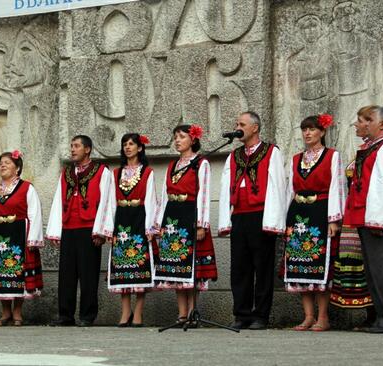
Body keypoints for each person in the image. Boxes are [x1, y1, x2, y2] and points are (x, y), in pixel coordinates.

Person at [330, 106, 383, 328]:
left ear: (381, 124)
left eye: (367, 120)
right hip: (368, 217)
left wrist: (377, 220)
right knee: (375, 270)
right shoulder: (374, 147)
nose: (360, 124)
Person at [218, 112, 287, 330]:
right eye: (237, 124)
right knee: (239, 267)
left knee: (262, 267)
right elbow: (224, 187)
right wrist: (225, 219)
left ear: (255, 128)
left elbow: (278, 186)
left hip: (261, 215)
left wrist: (275, 220)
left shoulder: (271, 152)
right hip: (239, 215)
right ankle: (242, 313)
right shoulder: (234, 155)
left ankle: (260, 316)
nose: (237, 127)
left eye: (242, 124)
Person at [283, 114, 345, 331]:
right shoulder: (296, 159)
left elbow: (337, 187)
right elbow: (289, 190)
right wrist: (284, 220)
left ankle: (323, 317)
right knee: (301, 265)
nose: (307, 133)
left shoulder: (332, 156)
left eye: (312, 129)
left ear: (322, 132)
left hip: (320, 211)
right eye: (304, 129)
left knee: (320, 266)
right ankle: (308, 316)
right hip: (298, 213)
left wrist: (334, 219)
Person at [46, 135, 114, 327]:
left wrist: (101, 230)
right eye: (71, 146)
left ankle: (87, 316)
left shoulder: (102, 171)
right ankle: (65, 315)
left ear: (88, 149)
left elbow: (107, 201)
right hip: (69, 227)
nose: (73, 149)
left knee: (88, 274)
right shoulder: (66, 173)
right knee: (66, 274)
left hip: (89, 228)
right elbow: (59, 201)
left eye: (76, 146)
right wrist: (56, 230)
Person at [154, 124, 217, 325]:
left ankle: (192, 313)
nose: (177, 140)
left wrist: (201, 224)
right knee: (176, 268)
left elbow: (204, 193)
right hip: (173, 217)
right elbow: (164, 195)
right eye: (175, 137)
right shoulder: (172, 165)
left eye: (181, 136)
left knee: (191, 268)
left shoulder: (201, 163)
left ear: (193, 139)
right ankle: (181, 314)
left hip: (190, 214)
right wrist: (159, 224)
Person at [0, 151, 44, 326]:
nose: (3, 165)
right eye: (1, 163)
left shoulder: (26, 187)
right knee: (1, 273)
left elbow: (35, 214)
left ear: (17, 167)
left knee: (17, 274)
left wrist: (33, 239)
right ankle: (5, 312)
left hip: (18, 235)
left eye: (7, 162)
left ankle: (17, 312)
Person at [107, 133, 157, 327]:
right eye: (125, 144)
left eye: (131, 144)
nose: (127, 147)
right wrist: (110, 228)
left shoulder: (147, 172)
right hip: (121, 219)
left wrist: (150, 226)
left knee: (139, 265)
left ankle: (138, 312)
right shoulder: (116, 173)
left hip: (139, 218)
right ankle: (125, 310)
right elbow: (110, 202)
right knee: (122, 266)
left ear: (140, 148)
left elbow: (151, 199)